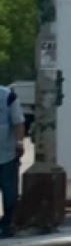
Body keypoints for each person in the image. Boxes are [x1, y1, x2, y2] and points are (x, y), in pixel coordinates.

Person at [0, 81, 22, 238]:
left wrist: (19, 143)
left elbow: (18, 122)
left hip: (6, 154)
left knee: (9, 193)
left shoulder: (7, 96)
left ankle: (8, 224)